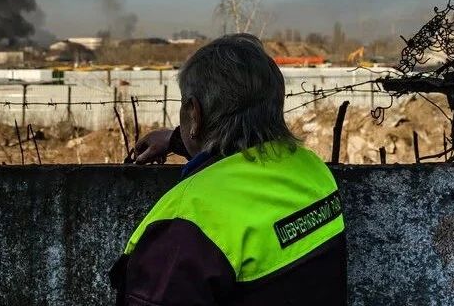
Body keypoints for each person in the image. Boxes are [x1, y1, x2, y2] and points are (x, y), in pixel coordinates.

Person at [109, 34, 347, 305]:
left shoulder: (188, 224)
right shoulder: (312, 169)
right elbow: (243, 148)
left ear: (194, 113)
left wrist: (189, 135)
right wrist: (178, 139)